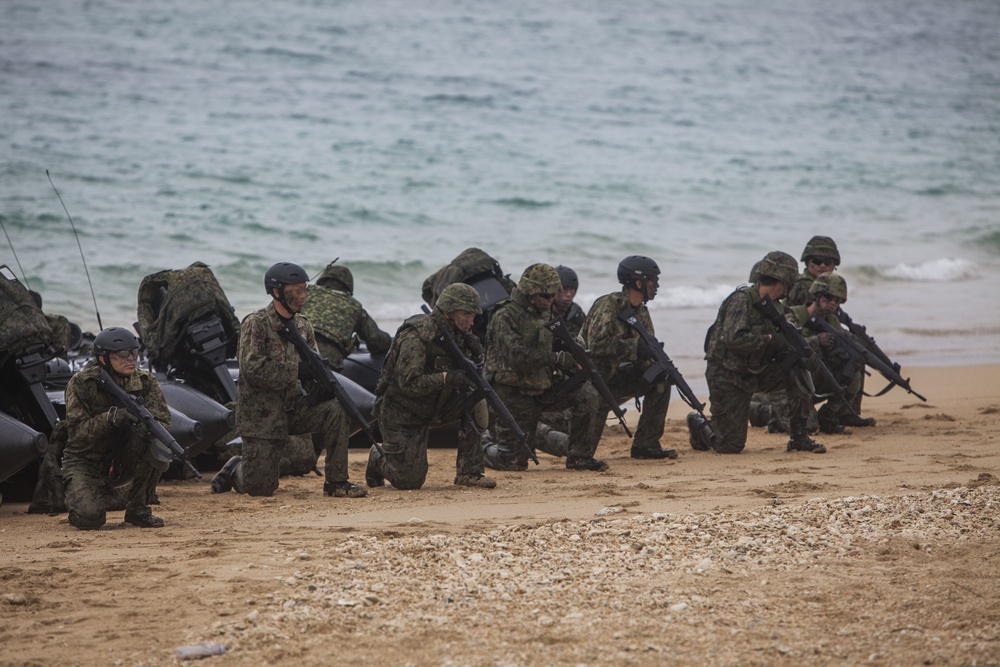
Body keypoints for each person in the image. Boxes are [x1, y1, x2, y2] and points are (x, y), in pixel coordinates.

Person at [211, 262, 366, 498]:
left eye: (305, 289)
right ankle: (236, 468)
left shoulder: (303, 326)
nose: (303, 296)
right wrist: (296, 371)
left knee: (336, 410)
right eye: (297, 290)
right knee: (261, 488)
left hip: (295, 407)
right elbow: (252, 368)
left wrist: (318, 385)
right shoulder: (256, 323)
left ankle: (336, 482)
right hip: (262, 415)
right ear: (277, 292)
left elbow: (312, 366)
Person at [366, 283, 496, 490]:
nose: (471, 321)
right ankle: (377, 457)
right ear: (447, 311)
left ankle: (469, 472)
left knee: (478, 403)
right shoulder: (417, 335)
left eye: (474, 315)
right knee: (409, 481)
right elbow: (408, 384)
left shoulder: (462, 337)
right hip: (402, 411)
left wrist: (477, 358)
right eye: (466, 314)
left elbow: (473, 380)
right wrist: (447, 377)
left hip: (437, 404)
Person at [698, 251, 827, 455]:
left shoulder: (776, 306)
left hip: (756, 371)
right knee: (730, 446)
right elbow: (734, 339)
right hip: (727, 375)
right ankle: (698, 425)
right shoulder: (741, 301)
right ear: (781, 282)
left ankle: (798, 437)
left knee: (796, 368)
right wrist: (768, 340)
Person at [483, 263, 605, 472]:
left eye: (552, 295)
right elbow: (518, 358)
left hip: (543, 388)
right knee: (513, 462)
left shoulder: (545, 313)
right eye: (545, 296)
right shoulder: (505, 315)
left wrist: (574, 354)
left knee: (589, 393)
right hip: (514, 393)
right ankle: (483, 443)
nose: (550, 301)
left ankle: (579, 456)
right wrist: (557, 358)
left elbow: (555, 344)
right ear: (530, 292)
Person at [61, 327, 170, 529]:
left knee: (159, 445)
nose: (130, 359)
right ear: (103, 358)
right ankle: (87, 497)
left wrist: (147, 427)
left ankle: (138, 511)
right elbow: (77, 435)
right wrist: (111, 418)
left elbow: (163, 419)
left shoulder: (145, 381)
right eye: (121, 354)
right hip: (87, 461)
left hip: (123, 458)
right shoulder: (82, 384)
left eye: (134, 353)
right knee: (90, 518)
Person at [580, 255, 677, 460]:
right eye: (653, 281)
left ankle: (646, 445)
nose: (657, 286)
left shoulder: (641, 311)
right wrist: (635, 348)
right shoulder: (608, 306)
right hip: (594, 379)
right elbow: (597, 345)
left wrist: (656, 360)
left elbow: (644, 348)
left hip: (617, 377)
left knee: (662, 380)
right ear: (638, 282)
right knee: (583, 450)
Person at [784, 273, 874, 433]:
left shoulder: (833, 322)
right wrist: (816, 340)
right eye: (828, 297)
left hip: (817, 379)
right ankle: (761, 410)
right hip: (791, 383)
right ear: (816, 296)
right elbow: (785, 345)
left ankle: (827, 418)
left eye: (837, 300)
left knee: (853, 376)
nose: (832, 303)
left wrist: (853, 357)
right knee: (806, 427)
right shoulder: (795, 315)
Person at [300, 262, 392, 371]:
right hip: (328, 362)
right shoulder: (354, 307)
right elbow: (376, 340)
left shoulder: (304, 294)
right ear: (348, 286)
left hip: (294, 353)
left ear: (322, 280)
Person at [535, 264, 586, 458]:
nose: (569, 295)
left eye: (572, 291)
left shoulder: (577, 314)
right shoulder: (542, 314)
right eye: (564, 290)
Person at [786, 236, 840, 307]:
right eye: (817, 261)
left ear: (834, 265)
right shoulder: (804, 286)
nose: (822, 266)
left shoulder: (828, 285)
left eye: (827, 262)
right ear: (807, 262)